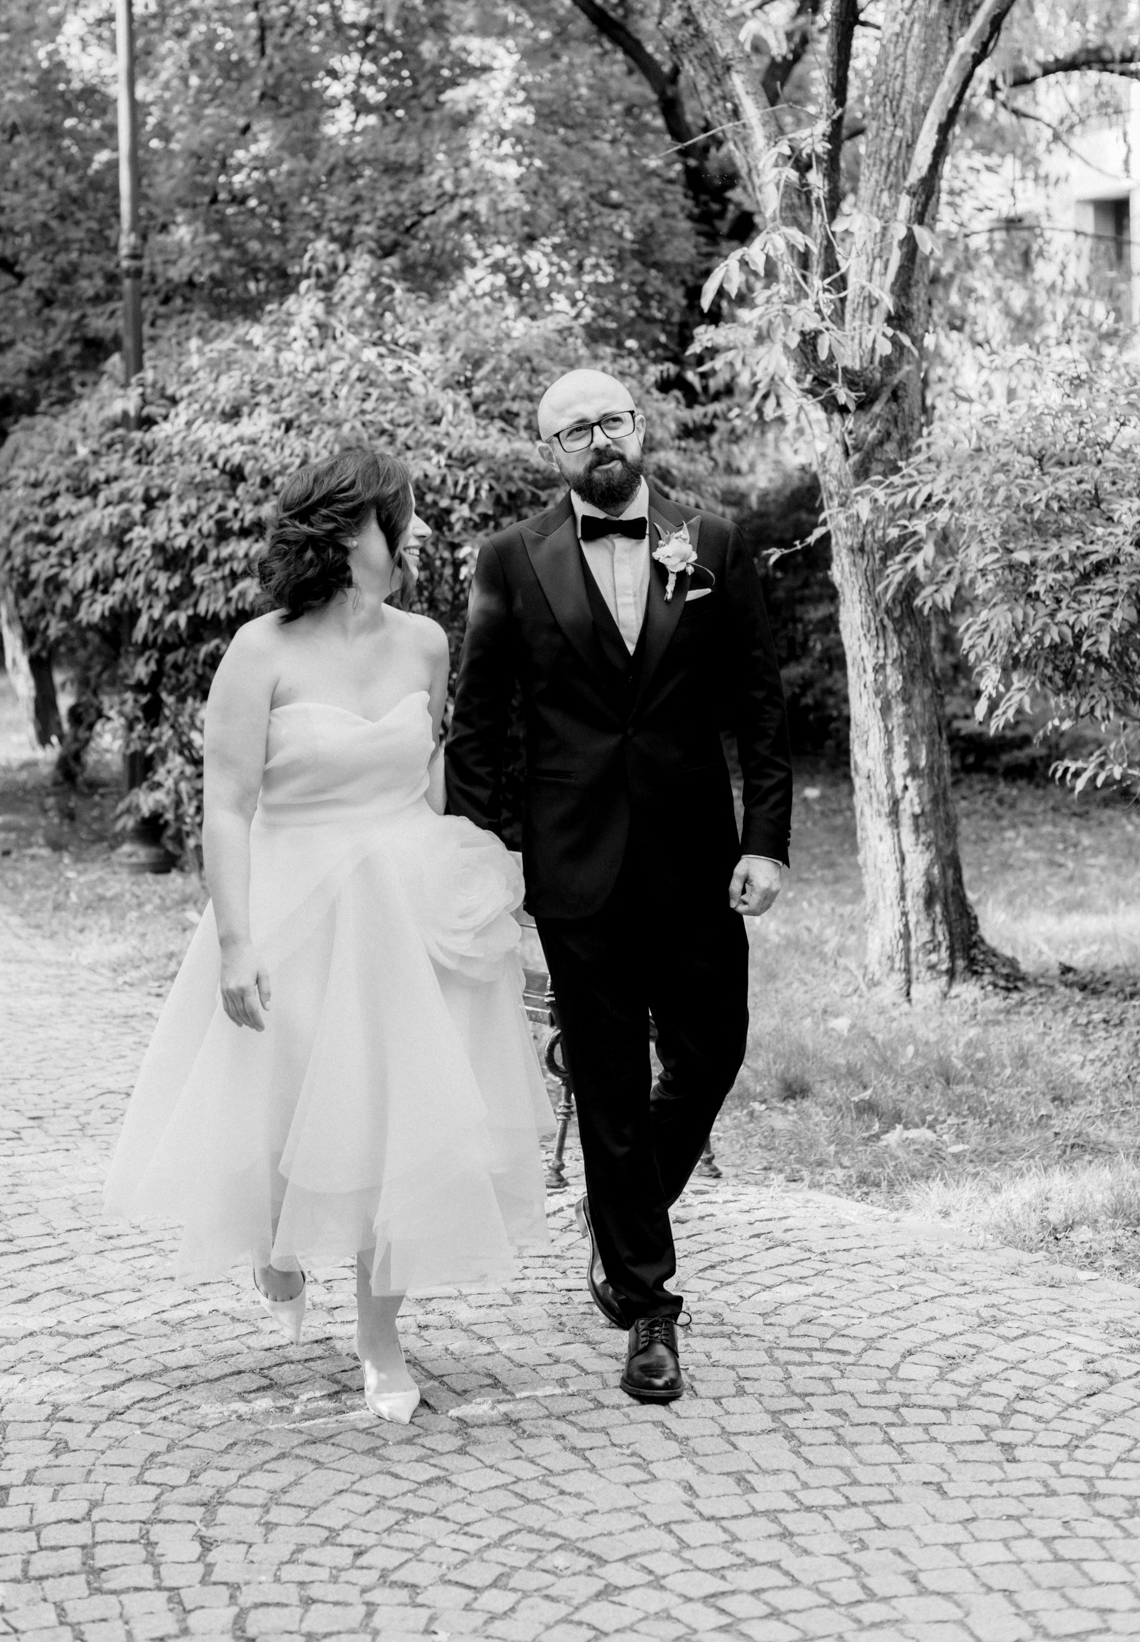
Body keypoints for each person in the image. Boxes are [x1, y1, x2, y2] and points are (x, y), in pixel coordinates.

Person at [104, 447, 553, 1424]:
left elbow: (427, 779)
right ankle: (271, 1245)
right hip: (288, 902)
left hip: (400, 908)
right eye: (406, 513)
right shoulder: (258, 651)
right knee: (284, 1111)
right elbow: (228, 807)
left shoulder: (425, 642)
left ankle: (379, 1338)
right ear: (355, 529)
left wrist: (462, 881)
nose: (420, 530)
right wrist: (235, 941)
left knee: (398, 1119)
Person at [444, 369, 792, 1405]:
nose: (598, 439)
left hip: (696, 856)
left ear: (638, 427)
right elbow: (478, 724)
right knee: (605, 1082)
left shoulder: (713, 540)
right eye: (574, 430)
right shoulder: (510, 559)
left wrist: (765, 842)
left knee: (712, 1048)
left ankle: (617, 1215)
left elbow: (759, 703)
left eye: (610, 420)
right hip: (572, 862)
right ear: (550, 451)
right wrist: (484, 858)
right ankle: (647, 1308)